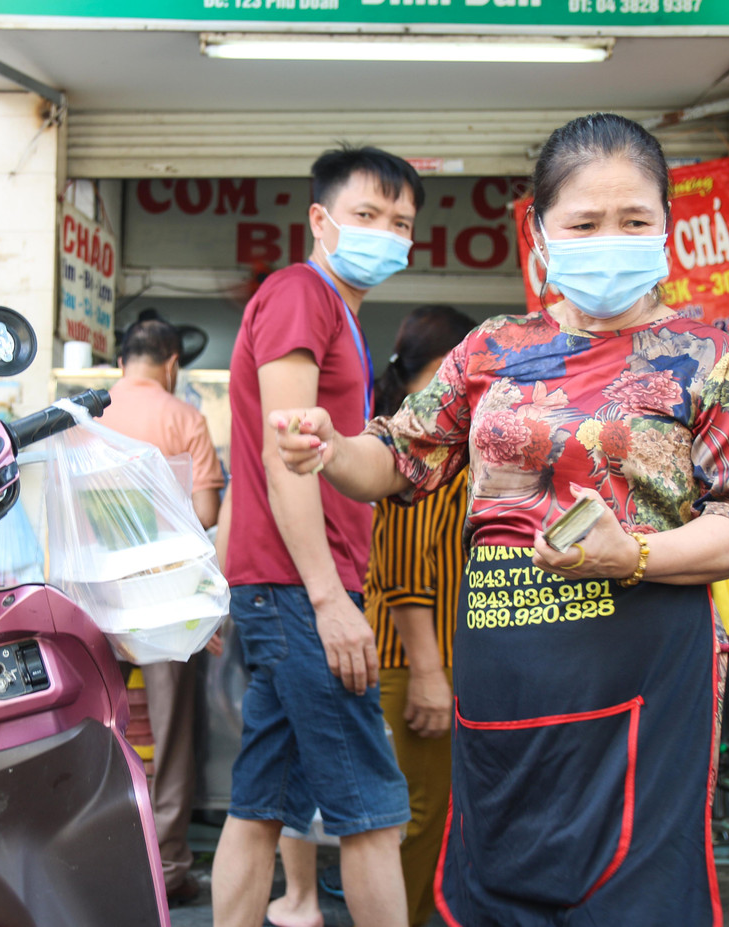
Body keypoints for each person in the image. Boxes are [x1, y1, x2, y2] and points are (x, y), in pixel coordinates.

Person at [271, 113, 729, 927]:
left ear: (666, 228)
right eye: (585, 222)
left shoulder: (709, 359)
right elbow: (397, 459)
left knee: (636, 891)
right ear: (543, 232)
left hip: (645, 675)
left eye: (634, 220)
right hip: (506, 670)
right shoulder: (492, 351)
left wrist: (634, 552)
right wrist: (332, 449)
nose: (610, 238)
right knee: (497, 876)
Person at [212, 146, 423, 927]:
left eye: (401, 222)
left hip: (282, 585)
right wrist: (330, 598)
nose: (387, 233)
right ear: (320, 220)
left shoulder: (337, 313)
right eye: (367, 215)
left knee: (261, 801)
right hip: (305, 588)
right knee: (371, 807)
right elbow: (282, 452)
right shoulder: (303, 292)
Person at [266, 305, 476, 927]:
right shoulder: (420, 443)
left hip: (426, 656)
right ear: (446, 367)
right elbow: (407, 570)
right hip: (412, 660)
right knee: (410, 816)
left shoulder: (432, 434)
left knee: (421, 814)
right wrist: (430, 674)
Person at [97, 317, 225, 905]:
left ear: (123, 360)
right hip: (165, 599)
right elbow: (204, 511)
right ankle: (169, 866)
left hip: (90, 598)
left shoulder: (83, 412)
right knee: (171, 736)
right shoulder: (184, 417)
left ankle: (94, 852)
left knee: (92, 727)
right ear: (172, 362)